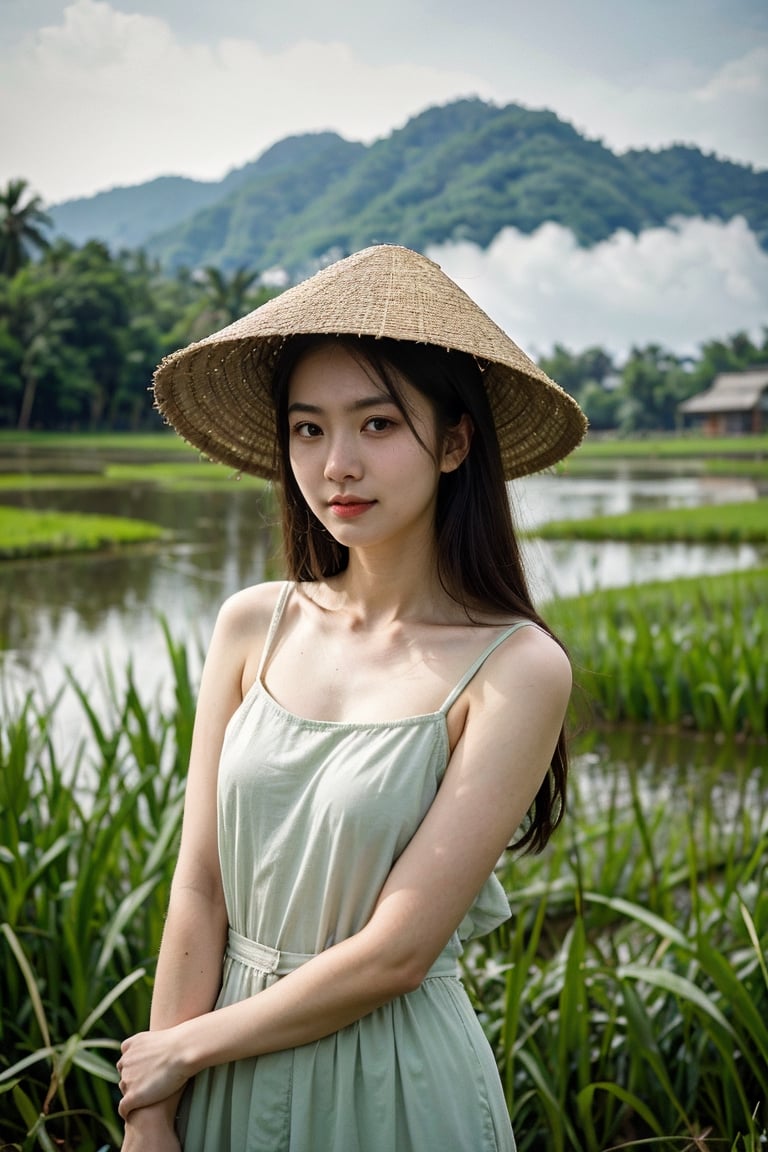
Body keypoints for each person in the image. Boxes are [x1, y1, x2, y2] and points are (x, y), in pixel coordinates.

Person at [116, 244, 587, 1152]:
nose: (337, 464)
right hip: (212, 1075)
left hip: (390, 1088)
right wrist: (154, 1109)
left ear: (455, 441)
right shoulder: (252, 626)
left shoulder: (515, 667)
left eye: (376, 425)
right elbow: (201, 885)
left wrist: (177, 1051)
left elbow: (396, 955)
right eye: (308, 429)